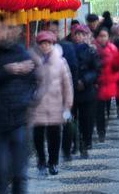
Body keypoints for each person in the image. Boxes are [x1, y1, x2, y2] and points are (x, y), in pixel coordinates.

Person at [0, 16, 37, 194]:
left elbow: (32, 81)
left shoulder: (21, 52)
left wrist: (27, 104)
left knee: (19, 174)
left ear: (8, 31)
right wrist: (9, 69)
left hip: (18, 121)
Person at [28, 31, 72, 177]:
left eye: (48, 43)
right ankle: (41, 161)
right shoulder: (32, 61)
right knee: (38, 136)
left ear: (53, 44)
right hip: (38, 104)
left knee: (54, 135)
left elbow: (67, 85)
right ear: (38, 45)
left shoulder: (61, 62)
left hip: (55, 104)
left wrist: (67, 106)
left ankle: (53, 162)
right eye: (42, 44)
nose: (45, 46)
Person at [47, 20, 78, 161]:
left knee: (67, 121)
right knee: (52, 127)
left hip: (64, 93)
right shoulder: (39, 50)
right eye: (49, 32)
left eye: (54, 31)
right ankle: (52, 158)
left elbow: (73, 71)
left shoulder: (67, 47)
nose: (52, 35)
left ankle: (68, 147)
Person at [71, 24, 100, 158]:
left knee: (86, 119)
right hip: (71, 91)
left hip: (87, 90)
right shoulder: (69, 50)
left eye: (81, 34)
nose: (78, 37)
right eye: (76, 34)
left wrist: (84, 80)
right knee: (71, 119)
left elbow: (96, 71)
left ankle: (85, 141)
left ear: (86, 36)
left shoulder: (91, 51)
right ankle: (73, 142)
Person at [94, 28, 119, 141]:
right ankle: (101, 132)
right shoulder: (93, 49)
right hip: (96, 83)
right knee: (99, 110)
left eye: (105, 36)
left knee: (106, 106)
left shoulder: (113, 49)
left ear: (108, 37)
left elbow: (117, 66)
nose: (103, 38)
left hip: (108, 82)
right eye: (101, 36)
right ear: (97, 37)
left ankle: (103, 127)